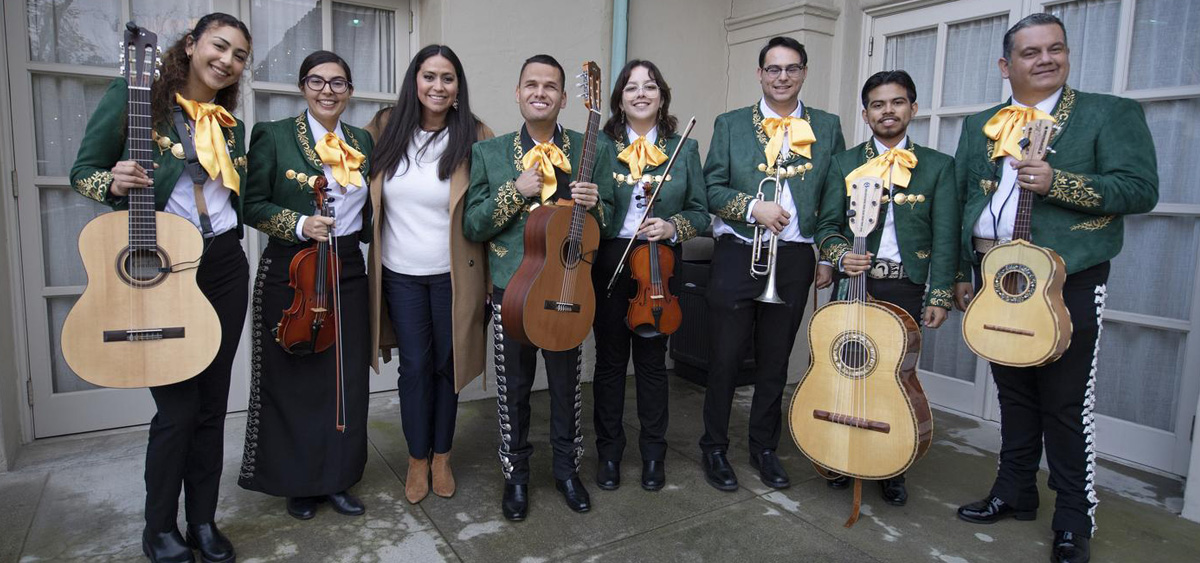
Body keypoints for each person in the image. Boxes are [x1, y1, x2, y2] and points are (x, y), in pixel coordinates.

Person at [952, 14, 1158, 563]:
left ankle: (1072, 517)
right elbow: (960, 200)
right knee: (1014, 396)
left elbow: (1139, 190)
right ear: (1006, 65)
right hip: (996, 276)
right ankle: (1015, 490)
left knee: (1065, 404)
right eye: (1030, 52)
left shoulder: (1108, 113)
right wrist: (957, 274)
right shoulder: (982, 124)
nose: (1045, 59)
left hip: (1065, 279)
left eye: (1056, 49)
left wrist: (1057, 182)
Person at [69, 13, 251, 563]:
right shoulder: (136, 96)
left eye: (239, 55)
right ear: (191, 44)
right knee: (177, 409)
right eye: (219, 46)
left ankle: (201, 521)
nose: (227, 60)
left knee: (213, 406)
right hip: (162, 269)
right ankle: (158, 528)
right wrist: (112, 182)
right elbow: (83, 170)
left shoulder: (228, 125)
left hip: (222, 265)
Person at [463, 54, 615, 521]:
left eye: (550, 86)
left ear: (565, 98)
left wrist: (596, 206)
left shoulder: (594, 148)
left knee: (568, 387)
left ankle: (568, 471)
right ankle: (517, 477)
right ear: (518, 92)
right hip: (512, 292)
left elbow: (607, 221)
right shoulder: (490, 153)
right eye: (531, 84)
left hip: (570, 292)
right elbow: (473, 224)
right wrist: (516, 190)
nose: (540, 92)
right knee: (514, 390)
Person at [238, 50, 375, 522]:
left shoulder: (363, 142)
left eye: (338, 83)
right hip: (292, 270)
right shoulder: (273, 136)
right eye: (317, 82)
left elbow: (374, 211)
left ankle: (337, 478)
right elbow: (250, 204)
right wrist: (297, 223)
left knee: (345, 380)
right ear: (303, 87)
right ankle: (298, 482)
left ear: (350, 92)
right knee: (294, 378)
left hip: (348, 270)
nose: (327, 91)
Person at [700, 36, 841, 492]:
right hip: (739, 251)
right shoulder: (731, 124)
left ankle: (764, 448)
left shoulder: (828, 125)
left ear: (804, 72)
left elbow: (832, 199)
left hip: (797, 257)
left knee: (776, 362)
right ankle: (715, 447)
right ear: (760, 74)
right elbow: (711, 189)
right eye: (773, 69)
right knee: (724, 357)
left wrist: (827, 254)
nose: (783, 77)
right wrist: (750, 207)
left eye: (792, 68)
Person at [815, 69, 958, 506]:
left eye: (897, 102)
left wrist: (939, 295)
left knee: (895, 377)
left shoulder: (938, 166)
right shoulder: (844, 162)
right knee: (845, 369)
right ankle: (840, 453)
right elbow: (826, 226)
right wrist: (840, 255)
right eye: (878, 104)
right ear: (865, 113)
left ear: (912, 108)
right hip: (856, 285)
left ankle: (891, 464)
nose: (887, 111)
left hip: (906, 288)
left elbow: (946, 235)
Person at [366, 44, 493, 505]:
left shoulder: (476, 134)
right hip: (400, 273)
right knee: (415, 367)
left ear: (458, 87)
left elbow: (490, 211)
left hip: (454, 276)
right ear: (414, 81)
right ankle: (416, 458)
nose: (438, 86)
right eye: (429, 76)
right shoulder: (382, 128)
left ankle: (443, 455)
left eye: (448, 78)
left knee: (447, 365)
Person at [591, 60, 709, 492]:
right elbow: (595, 208)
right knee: (609, 363)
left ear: (662, 96)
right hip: (612, 260)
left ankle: (654, 455)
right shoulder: (601, 147)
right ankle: (608, 454)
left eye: (650, 86)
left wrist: (673, 227)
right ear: (619, 99)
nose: (641, 94)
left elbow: (700, 211)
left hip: (661, 265)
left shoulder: (685, 149)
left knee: (652, 364)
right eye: (631, 88)